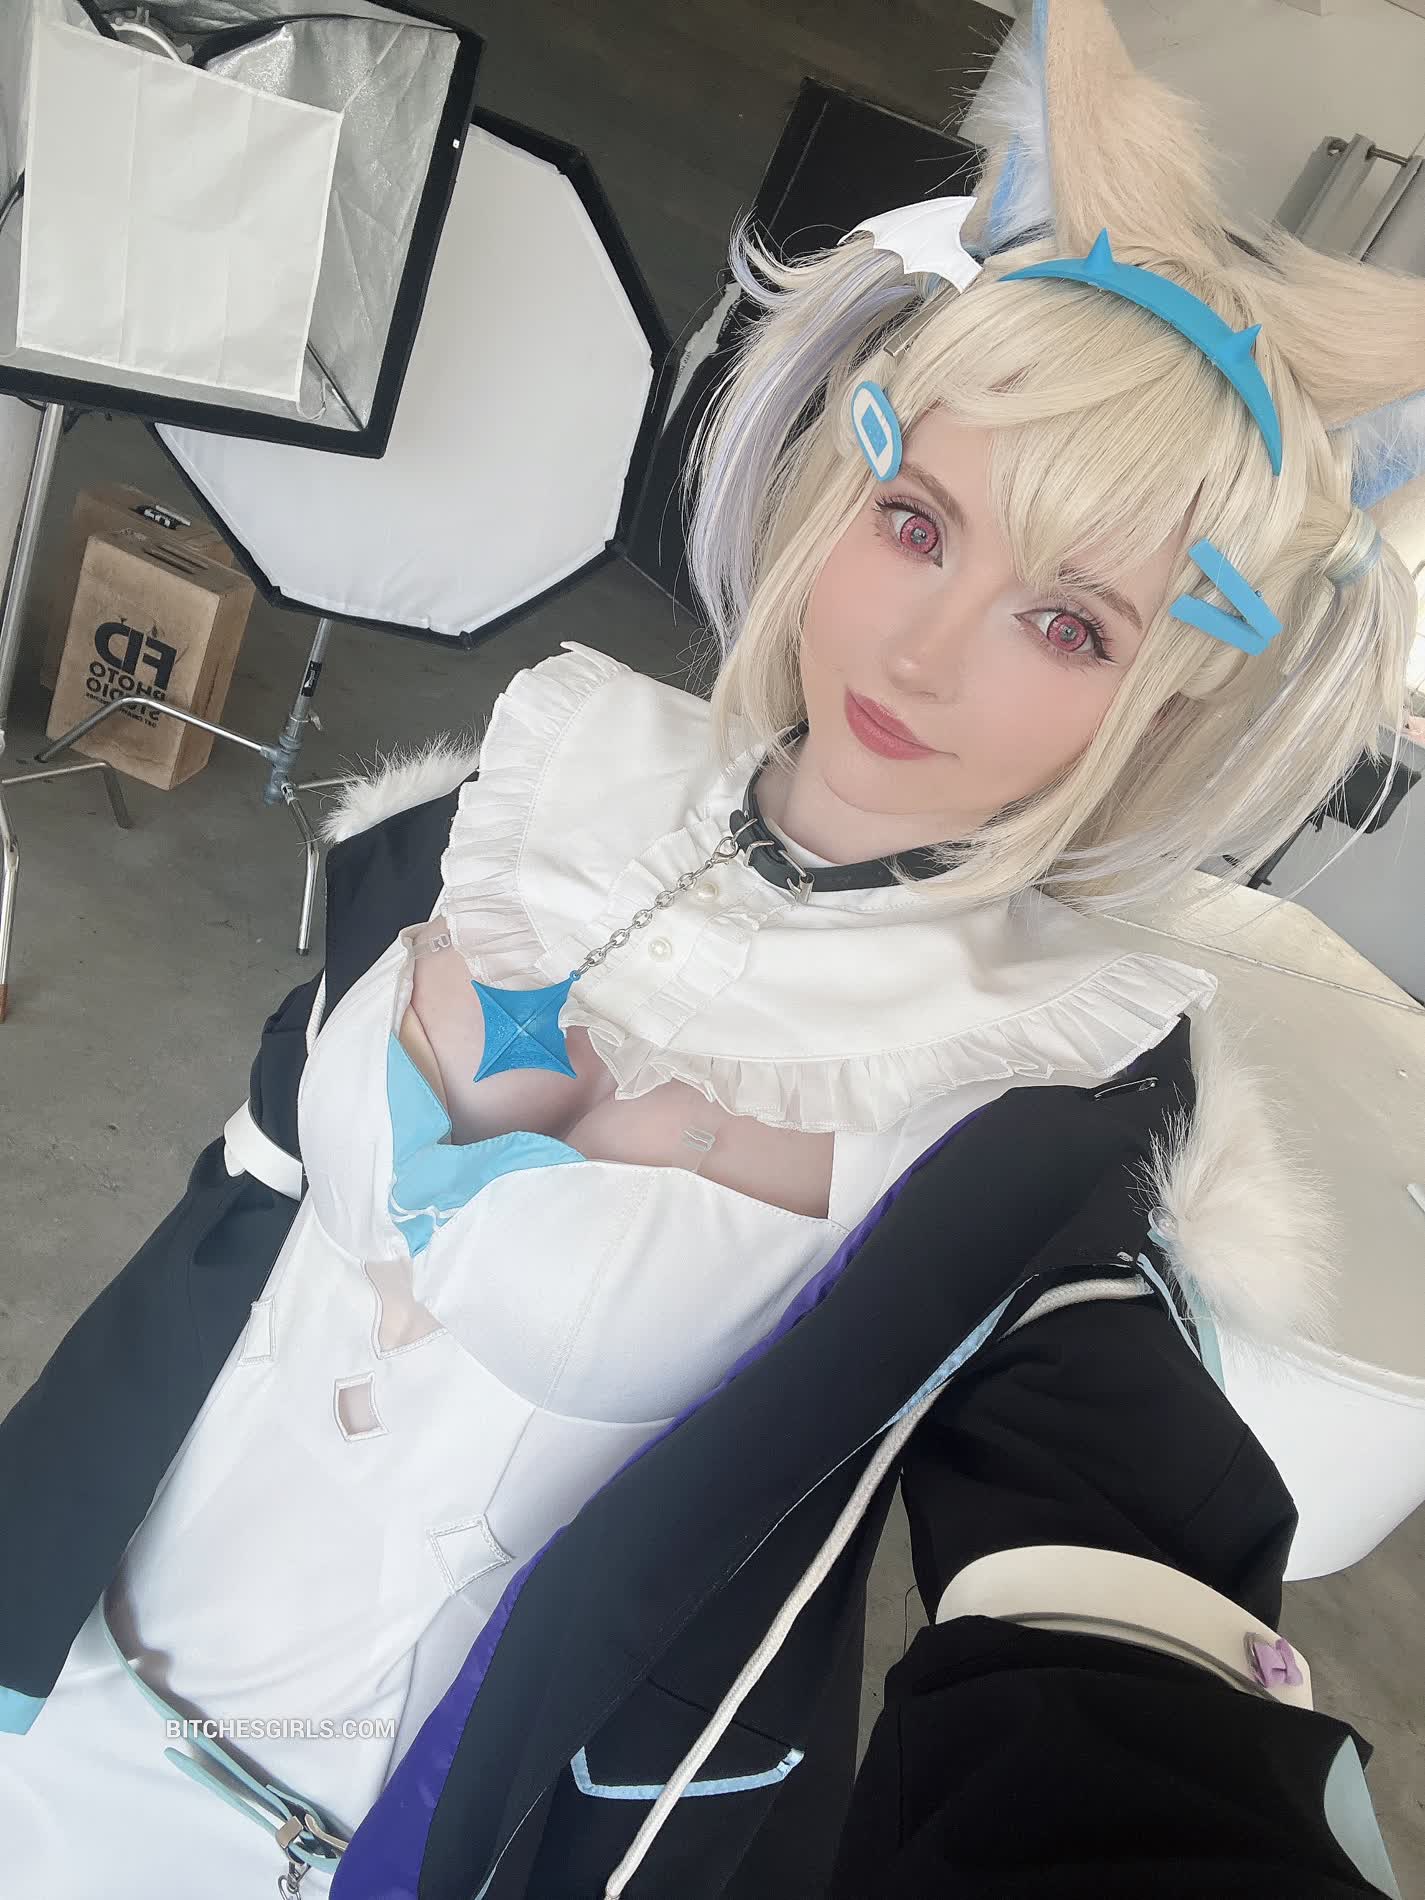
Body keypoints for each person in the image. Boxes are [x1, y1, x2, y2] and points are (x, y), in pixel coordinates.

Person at [1, 0, 1421, 1893]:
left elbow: (1105, 1580)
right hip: (53, 1700)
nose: (919, 649)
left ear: (1169, 698)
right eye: (917, 523)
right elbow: (241, 1207)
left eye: (1067, 623)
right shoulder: (529, 786)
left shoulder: (1053, 1083)